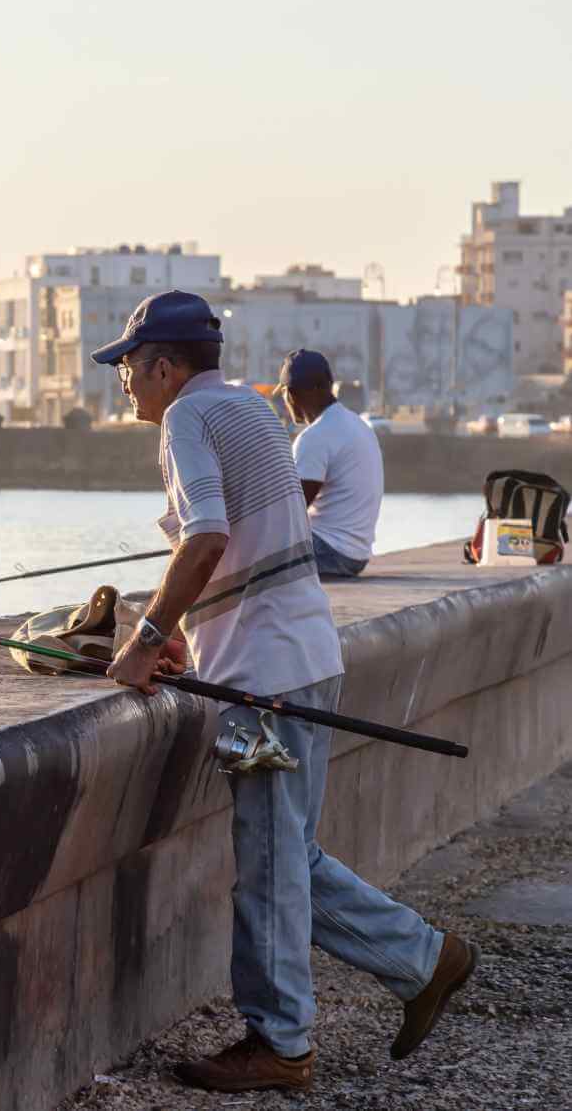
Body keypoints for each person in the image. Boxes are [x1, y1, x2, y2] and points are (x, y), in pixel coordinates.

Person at [92, 291, 476, 1094]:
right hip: (303, 652)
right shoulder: (251, 410)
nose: (123, 381)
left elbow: (206, 537)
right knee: (288, 854)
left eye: (127, 365)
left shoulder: (187, 421)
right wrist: (190, 639)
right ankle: (423, 957)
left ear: (163, 365)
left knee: (268, 870)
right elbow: (253, 545)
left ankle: (280, 1045)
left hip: (264, 679)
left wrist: (145, 642)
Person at [279, 349, 383, 579]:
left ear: (292, 393)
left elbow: (291, 511)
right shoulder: (357, 425)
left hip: (328, 553)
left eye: (286, 392)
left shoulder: (315, 437)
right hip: (356, 555)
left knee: (243, 547)